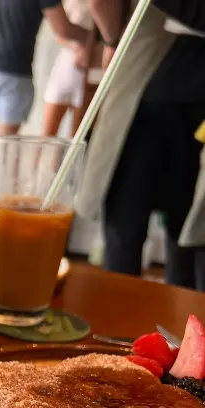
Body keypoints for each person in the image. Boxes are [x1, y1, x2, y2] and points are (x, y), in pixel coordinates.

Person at [77, 0, 205, 288]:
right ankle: (182, 315)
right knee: (189, 234)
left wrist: (112, 39)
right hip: (188, 103)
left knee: (125, 231)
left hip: (143, 84)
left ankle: (121, 313)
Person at [0, 0, 88, 211]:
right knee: (7, 141)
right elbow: (63, 28)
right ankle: (3, 204)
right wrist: (94, 36)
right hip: (14, 70)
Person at [42, 0, 103, 138]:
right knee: (48, 133)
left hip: (91, 73)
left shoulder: (107, 5)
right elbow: (59, 32)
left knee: (77, 136)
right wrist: (76, 47)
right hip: (65, 69)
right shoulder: (71, 2)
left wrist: (91, 50)